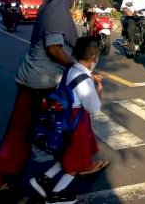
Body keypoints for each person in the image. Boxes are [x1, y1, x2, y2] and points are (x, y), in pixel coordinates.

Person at [0, 0, 79, 200]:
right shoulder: (56, 11)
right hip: (40, 82)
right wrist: (75, 68)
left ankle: (0, 178)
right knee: (58, 128)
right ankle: (56, 178)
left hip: (32, 78)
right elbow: (54, 48)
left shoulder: (49, 7)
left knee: (22, 130)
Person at [28, 36, 108, 203]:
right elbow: (93, 108)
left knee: (65, 155)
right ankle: (57, 194)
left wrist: (91, 79)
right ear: (94, 58)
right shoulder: (85, 80)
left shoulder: (71, 69)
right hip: (77, 124)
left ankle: (43, 180)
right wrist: (98, 89)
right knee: (77, 161)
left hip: (63, 120)